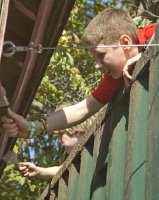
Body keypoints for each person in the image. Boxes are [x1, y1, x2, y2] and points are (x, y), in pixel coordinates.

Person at [1, 8, 156, 139]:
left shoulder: (150, 34)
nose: (97, 65)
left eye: (101, 55)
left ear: (125, 43)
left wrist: (146, 51)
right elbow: (82, 109)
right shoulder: (112, 79)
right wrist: (34, 128)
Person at [17, 102, 94, 180]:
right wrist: (38, 171)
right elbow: (61, 169)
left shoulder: (97, 146)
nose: (59, 141)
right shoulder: (77, 157)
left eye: (61, 134)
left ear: (76, 131)